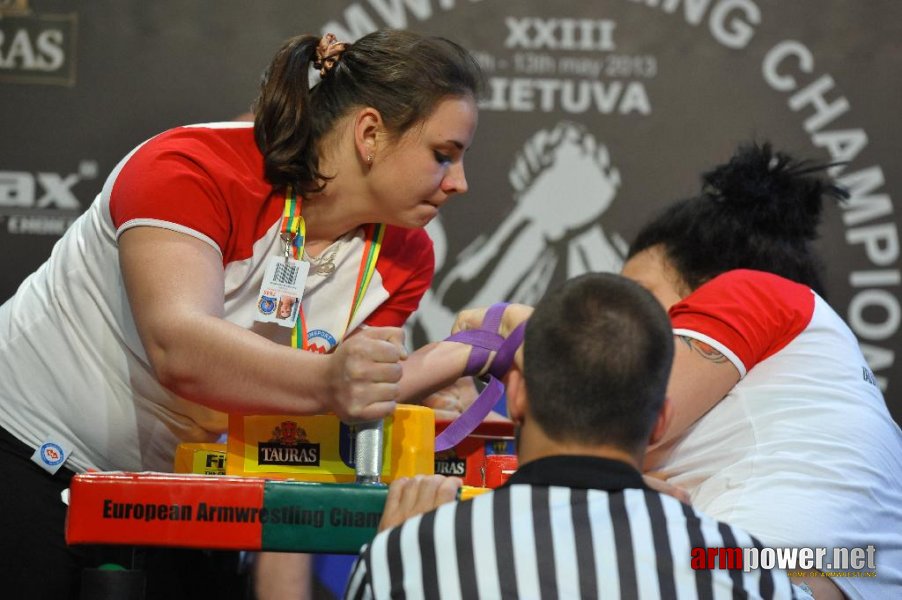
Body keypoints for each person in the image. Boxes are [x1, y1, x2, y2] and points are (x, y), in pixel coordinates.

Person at [0, 28, 482, 598]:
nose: (460, 183)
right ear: (370, 132)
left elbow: (327, 410)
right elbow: (180, 350)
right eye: (442, 155)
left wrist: (457, 366)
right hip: (29, 462)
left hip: (189, 505)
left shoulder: (406, 253)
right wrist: (333, 379)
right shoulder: (191, 166)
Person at [448, 143, 902, 599]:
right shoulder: (804, 389)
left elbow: (600, 395)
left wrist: (503, 321)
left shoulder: (750, 290)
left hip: (756, 572)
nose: (624, 314)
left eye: (641, 293)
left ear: (708, 289)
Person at [344, 273, 799, 599]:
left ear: (517, 395)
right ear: (660, 420)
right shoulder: (740, 564)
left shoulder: (408, 555)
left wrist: (400, 555)